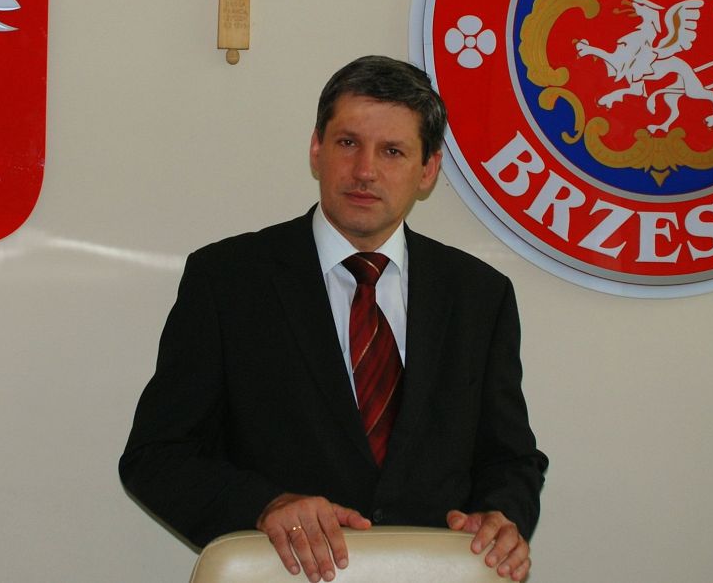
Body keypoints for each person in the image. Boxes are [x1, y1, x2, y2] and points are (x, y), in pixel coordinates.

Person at [119, 55, 548, 582]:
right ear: (316, 149)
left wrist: (501, 515)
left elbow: (510, 458)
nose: (365, 170)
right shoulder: (227, 280)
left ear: (428, 170)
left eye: (392, 151)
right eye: (348, 143)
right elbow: (156, 456)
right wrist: (265, 505)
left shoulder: (480, 295)